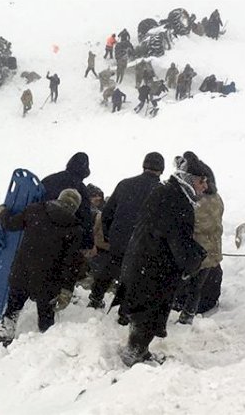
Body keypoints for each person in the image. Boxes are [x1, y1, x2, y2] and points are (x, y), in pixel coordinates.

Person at [112, 154, 209, 367]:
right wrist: (193, 259)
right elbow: (176, 237)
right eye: (202, 181)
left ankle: (139, 350)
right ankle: (134, 354)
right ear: (189, 179)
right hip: (152, 267)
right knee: (147, 313)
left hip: (147, 263)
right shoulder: (175, 199)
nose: (205, 186)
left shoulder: (168, 192)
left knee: (146, 311)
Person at [0, 189, 84, 346]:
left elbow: (11, 224)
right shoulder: (74, 229)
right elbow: (71, 264)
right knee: (46, 317)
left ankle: (4, 337)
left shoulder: (35, 210)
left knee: (13, 308)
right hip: (48, 281)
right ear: (75, 207)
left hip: (22, 272)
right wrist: (67, 290)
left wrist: (2, 212)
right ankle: (44, 347)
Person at [88, 152, 164, 311]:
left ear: (144, 166)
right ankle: (125, 311)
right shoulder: (161, 191)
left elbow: (107, 213)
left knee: (111, 267)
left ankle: (96, 298)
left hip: (120, 237)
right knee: (137, 276)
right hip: (144, 242)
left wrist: (110, 234)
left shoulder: (125, 184)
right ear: (161, 170)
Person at [175, 152, 224, 324]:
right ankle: (192, 310)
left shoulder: (193, 204)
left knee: (191, 285)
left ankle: (186, 314)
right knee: (202, 284)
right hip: (213, 259)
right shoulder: (217, 199)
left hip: (195, 259)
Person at [41, 152, 94, 253]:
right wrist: (88, 243)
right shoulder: (81, 190)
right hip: (61, 240)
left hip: (38, 231)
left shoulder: (49, 179)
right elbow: (85, 218)